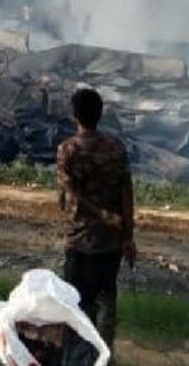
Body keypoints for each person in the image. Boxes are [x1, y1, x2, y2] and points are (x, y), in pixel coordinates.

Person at [57, 88, 136, 357]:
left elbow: (69, 195)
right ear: (100, 114)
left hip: (79, 239)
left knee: (77, 303)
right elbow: (127, 194)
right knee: (106, 298)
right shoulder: (116, 148)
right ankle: (105, 355)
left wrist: (99, 213)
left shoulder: (68, 150)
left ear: (74, 115)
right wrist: (128, 236)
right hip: (110, 240)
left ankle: (79, 357)